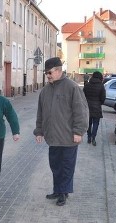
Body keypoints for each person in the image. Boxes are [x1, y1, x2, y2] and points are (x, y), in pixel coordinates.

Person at [34, 57, 89, 207]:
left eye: (49, 72)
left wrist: (78, 131)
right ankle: (58, 190)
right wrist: (39, 131)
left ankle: (64, 193)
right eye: (46, 73)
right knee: (55, 165)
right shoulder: (45, 91)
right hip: (53, 138)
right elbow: (40, 113)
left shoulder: (72, 87)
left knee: (66, 167)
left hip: (68, 137)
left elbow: (81, 111)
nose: (48, 75)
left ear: (58, 70)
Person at [83, 71, 106, 146]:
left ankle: (89, 137)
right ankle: (93, 138)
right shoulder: (101, 86)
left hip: (87, 107)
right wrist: (99, 103)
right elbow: (103, 97)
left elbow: (83, 96)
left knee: (88, 124)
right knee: (96, 123)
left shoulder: (87, 85)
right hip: (97, 107)